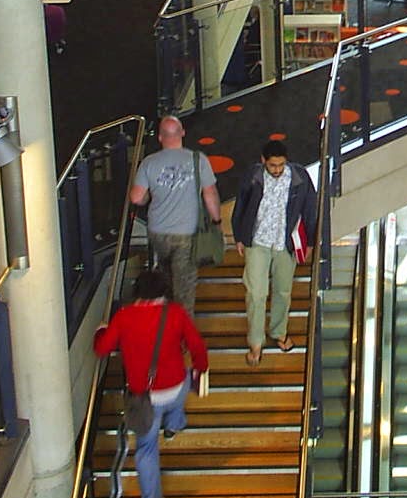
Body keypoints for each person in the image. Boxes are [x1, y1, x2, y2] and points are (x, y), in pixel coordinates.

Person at [94, 269, 209, 498]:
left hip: (145, 398)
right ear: (163, 293)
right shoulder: (175, 313)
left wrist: (102, 331)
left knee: (146, 448)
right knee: (182, 387)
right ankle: (175, 424)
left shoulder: (124, 317)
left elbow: (102, 349)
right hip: (176, 388)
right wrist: (201, 369)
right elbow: (197, 346)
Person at [231, 138, 319, 365]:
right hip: (257, 242)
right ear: (263, 161)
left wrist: (309, 241)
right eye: (272, 165)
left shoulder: (299, 178)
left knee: (283, 291)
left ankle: (279, 331)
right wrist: (239, 236)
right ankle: (256, 341)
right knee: (256, 293)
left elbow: (310, 209)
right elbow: (241, 205)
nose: (277, 170)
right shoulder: (253, 176)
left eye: (281, 165)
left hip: (285, 243)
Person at [130, 116, 223, 316]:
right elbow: (210, 194)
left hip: (158, 233)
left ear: (161, 138)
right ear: (182, 133)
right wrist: (217, 221)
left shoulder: (149, 163)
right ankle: (180, 336)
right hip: (186, 235)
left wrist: (149, 195)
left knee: (164, 279)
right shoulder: (198, 160)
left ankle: (163, 323)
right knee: (185, 289)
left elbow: (136, 198)